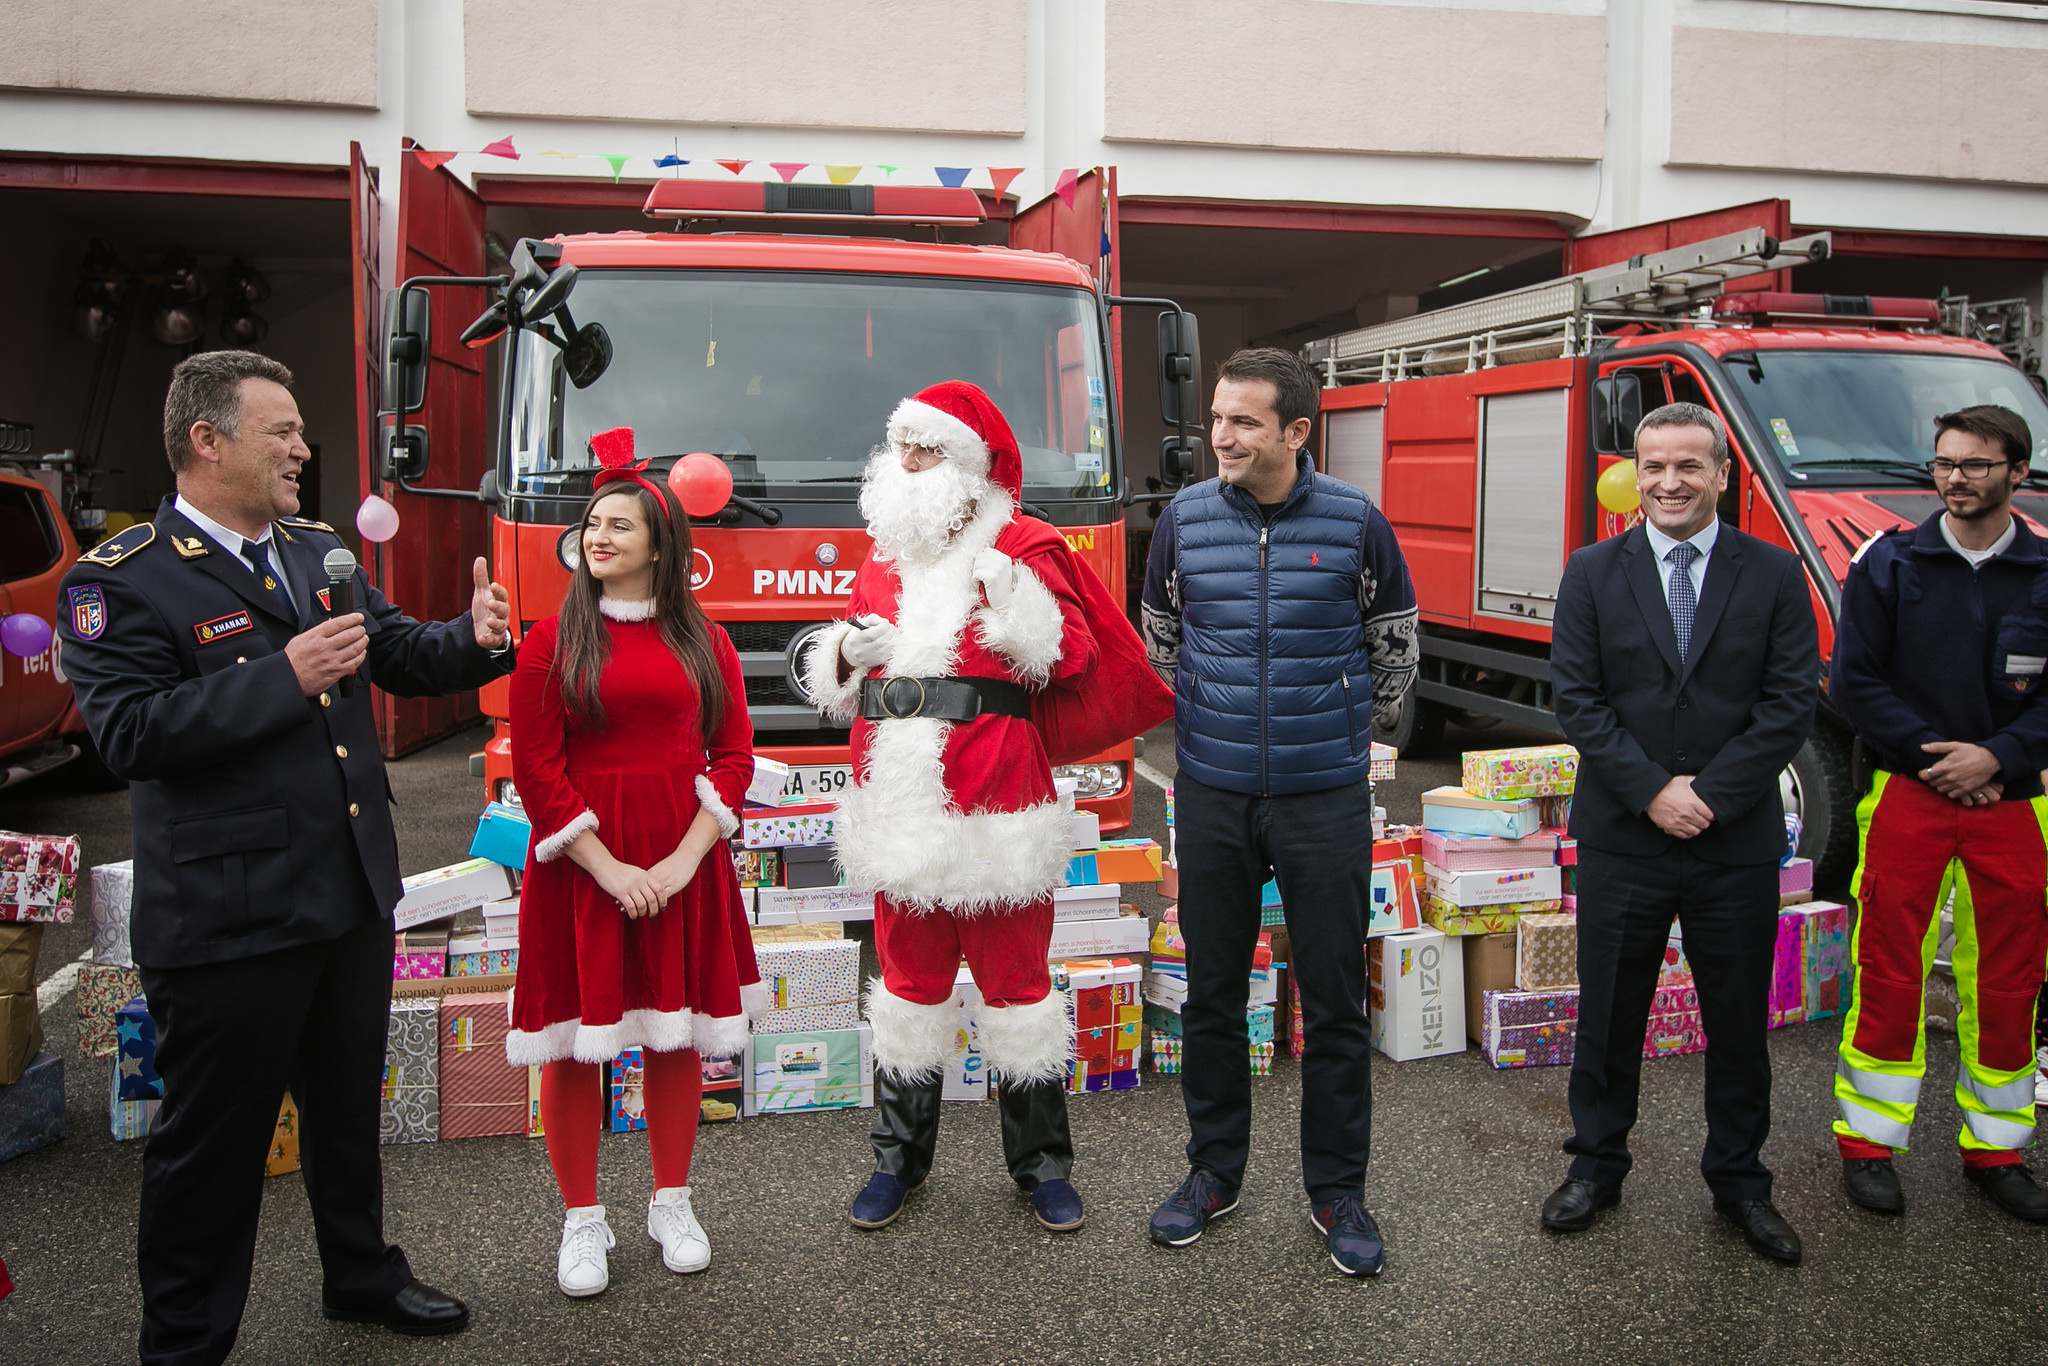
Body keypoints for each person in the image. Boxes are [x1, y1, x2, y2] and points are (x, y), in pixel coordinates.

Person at [57, 350, 514, 1364]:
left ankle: (359, 1273)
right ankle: (184, 1339)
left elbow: (396, 652)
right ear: (206, 441)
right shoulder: (119, 580)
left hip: (347, 895)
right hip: (232, 920)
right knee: (212, 1148)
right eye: (283, 431)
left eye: (301, 430)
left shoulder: (315, 553)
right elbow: (128, 733)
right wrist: (282, 675)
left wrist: (477, 640)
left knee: (347, 1115)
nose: (305, 448)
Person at [802, 381, 1115, 1234]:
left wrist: (1014, 603)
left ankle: (1042, 1168)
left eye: (926, 449)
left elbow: (1072, 654)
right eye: (899, 446)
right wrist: (842, 653)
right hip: (898, 805)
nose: (906, 463)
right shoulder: (883, 552)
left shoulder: (1024, 543)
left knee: (1018, 991)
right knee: (906, 990)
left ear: (970, 465)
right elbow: (838, 671)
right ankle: (896, 1164)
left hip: (996, 803)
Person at [1138, 347, 1418, 1277]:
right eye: (1217, 416)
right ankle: (1212, 1174)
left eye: (1245, 421)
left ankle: (1339, 1193)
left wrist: (1332, 737)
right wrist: (1216, 731)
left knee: (1334, 1006)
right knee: (1213, 998)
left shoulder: (1354, 522)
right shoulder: (1181, 520)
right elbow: (1163, 644)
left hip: (1324, 800)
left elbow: (1394, 656)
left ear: (1297, 431)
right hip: (1213, 794)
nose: (1221, 435)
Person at [1544, 401, 1817, 1264]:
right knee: (1611, 1014)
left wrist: (1712, 796)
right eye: (1654, 466)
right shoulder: (1592, 571)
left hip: (1731, 842)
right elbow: (1578, 701)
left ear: (1722, 475)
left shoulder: (1773, 574)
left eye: (1689, 467)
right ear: (1635, 471)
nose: (1670, 482)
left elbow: (1787, 704)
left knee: (1737, 1022)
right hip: (1627, 837)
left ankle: (1740, 1182)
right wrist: (1655, 792)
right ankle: (1596, 1165)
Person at [506, 428, 769, 1295]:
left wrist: (691, 857)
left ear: (662, 544)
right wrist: (609, 868)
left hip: (681, 860)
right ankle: (583, 1220)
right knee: (577, 1046)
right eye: (592, 524)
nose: (598, 537)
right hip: (585, 865)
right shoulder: (550, 640)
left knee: (673, 1031)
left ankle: (670, 1200)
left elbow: (733, 754)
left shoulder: (709, 643)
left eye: (620, 525)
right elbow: (537, 768)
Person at [1827, 404, 2048, 1223]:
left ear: (2018, 473)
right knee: (1888, 966)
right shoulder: (1888, 562)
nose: (1955, 478)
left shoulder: (2045, 571)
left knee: (2010, 976)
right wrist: (1941, 758)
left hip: (2016, 803)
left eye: (1977, 465)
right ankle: (1869, 1145)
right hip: (1908, 795)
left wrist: (1999, 758)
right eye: (1945, 463)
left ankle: (1997, 1149)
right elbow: (1855, 683)